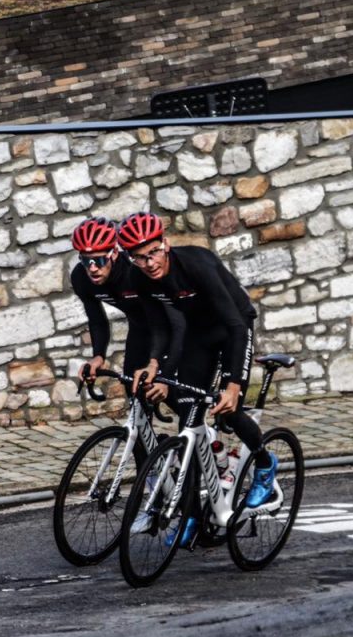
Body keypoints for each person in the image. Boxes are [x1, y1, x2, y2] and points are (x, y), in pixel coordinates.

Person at [117, 211, 278, 527]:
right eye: (139, 258)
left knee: (228, 408)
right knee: (189, 421)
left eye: (154, 252)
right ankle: (193, 510)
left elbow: (236, 323)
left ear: (165, 243)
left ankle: (264, 463)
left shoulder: (196, 264)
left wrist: (234, 385)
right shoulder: (138, 278)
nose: (149, 263)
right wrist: (153, 364)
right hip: (197, 335)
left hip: (233, 326)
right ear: (130, 259)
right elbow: (159, 327)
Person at [69, 216, 182, 388]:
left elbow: (175, 318)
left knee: (167, 390)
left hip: (170, 327)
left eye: (99, 260)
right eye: (86, 261)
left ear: (114, 253)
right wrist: (98, 356)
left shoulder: (134, 272)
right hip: (140, 329)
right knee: (132, 385)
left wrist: (160, 365)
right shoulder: (80, 278)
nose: (92, 268)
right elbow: (97, 320)